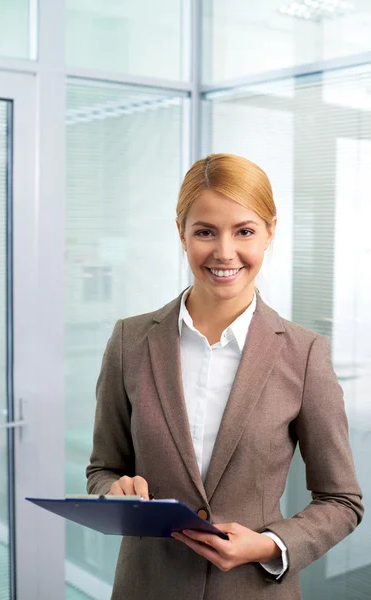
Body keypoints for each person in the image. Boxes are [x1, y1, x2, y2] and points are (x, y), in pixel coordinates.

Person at [86, 153, 363, 600]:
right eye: (205, 232)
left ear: (270, 231)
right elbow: (103, 469)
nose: (224, 252)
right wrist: (114, 491)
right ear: (181, 232)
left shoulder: (305, 353)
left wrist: (270, 545)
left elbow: (342, 501)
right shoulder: (130, 341)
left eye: (245, 231)